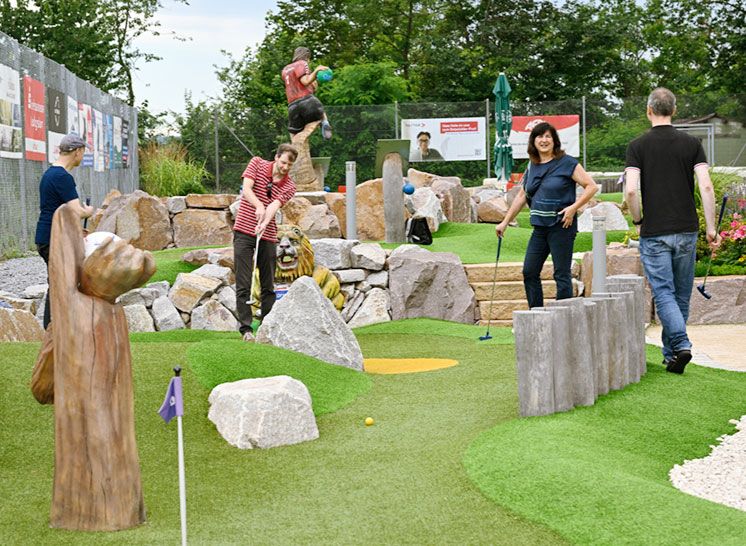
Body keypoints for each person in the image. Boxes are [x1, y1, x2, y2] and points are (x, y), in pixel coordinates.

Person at [624, 87, 720, 374]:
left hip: (654, 230)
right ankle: (671, 355)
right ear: (674, 111)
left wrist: (638, 221)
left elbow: (630, 190)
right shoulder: (691, 144)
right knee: (680, 294)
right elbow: (705, 185)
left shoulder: (637, 146)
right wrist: (712, 228)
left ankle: (680, 345)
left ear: (649, 111)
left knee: (664, 292)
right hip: (686, 228)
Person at [496, 122, 598, 308]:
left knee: (561, 274)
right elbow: (521, 195)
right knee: (529, 271)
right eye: (539, 136)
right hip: (540, 227)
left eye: (548, 136)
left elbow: (591, 186)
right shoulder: (532, 165)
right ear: (533, 141)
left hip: (562, 226)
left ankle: (564, 317)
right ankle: (536, 314)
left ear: (554, 140)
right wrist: (504, 222)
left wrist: (573, 208)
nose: (544, 140)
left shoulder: (567, 163)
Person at [233, 143, 298, 342]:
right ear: (276, 157)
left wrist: (264, 220)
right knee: (243, 282)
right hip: (244, 230)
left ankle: (265, 327)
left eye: (290, 164)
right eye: (284, 162)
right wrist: (259, 205)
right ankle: (246, 330)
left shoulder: (289, 186)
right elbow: (247, 189)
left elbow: (275, 206)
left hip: (267, 234)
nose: (285, 167)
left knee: (268, 285)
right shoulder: (257, 164)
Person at [34, 133, 94, 329]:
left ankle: (56, 328)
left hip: (47, 236)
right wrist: (90, 211)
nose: (82, 156)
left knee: (59, 283)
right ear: (76, 151)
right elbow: (76, 211)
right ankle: (54, 329)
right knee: (61, 284)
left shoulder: (50, 174)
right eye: (82, 152)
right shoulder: (62, 177)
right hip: (54, 238)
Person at [282, 46, 332, 140]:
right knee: (321, 113)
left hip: (292, 107)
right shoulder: (302, 63)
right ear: (307, 57)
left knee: (294, 133)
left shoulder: (285, 69)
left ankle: (294, 150)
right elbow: (305, 81)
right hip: (308, 101)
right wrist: (316, 71)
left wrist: (312, 82)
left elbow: (296, 85)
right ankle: (325, 123)